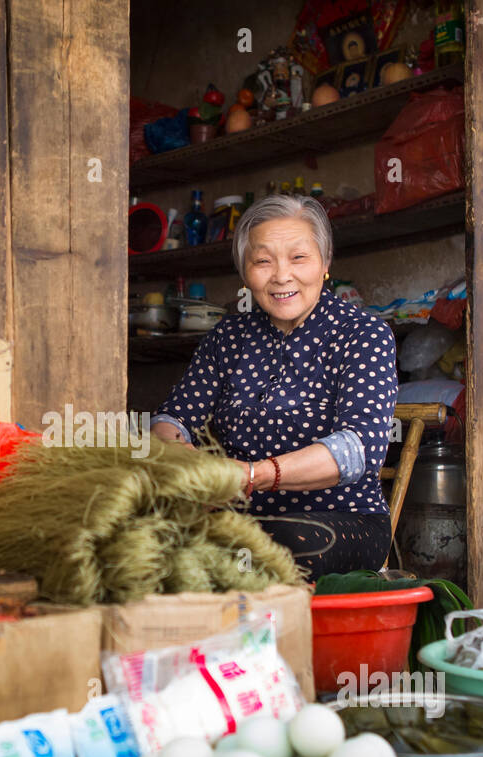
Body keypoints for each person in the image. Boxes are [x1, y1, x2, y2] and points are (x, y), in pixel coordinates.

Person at [149, 194, 398, 577]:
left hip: (340, 522)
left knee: (274, 546)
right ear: (245, 273)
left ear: (325, 263)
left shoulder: (362, 335)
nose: (282, 275)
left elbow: (358, 449)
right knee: (141, 537)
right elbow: (173, 417)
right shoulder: (229, 336)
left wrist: (253, 475)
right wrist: (178, 451)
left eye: (299, 257)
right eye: (263, 261)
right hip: (238, 518)